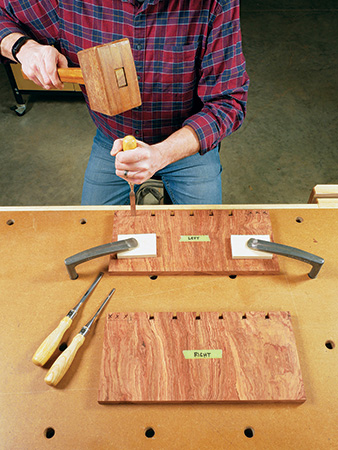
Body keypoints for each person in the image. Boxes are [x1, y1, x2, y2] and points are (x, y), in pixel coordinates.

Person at [0, 0, 249, 205]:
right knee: (94, 242)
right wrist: (23, 47)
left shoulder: (213, 4)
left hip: (187, 142)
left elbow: (229, 102)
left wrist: (162, 153)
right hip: (113, 140)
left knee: (202, 241)